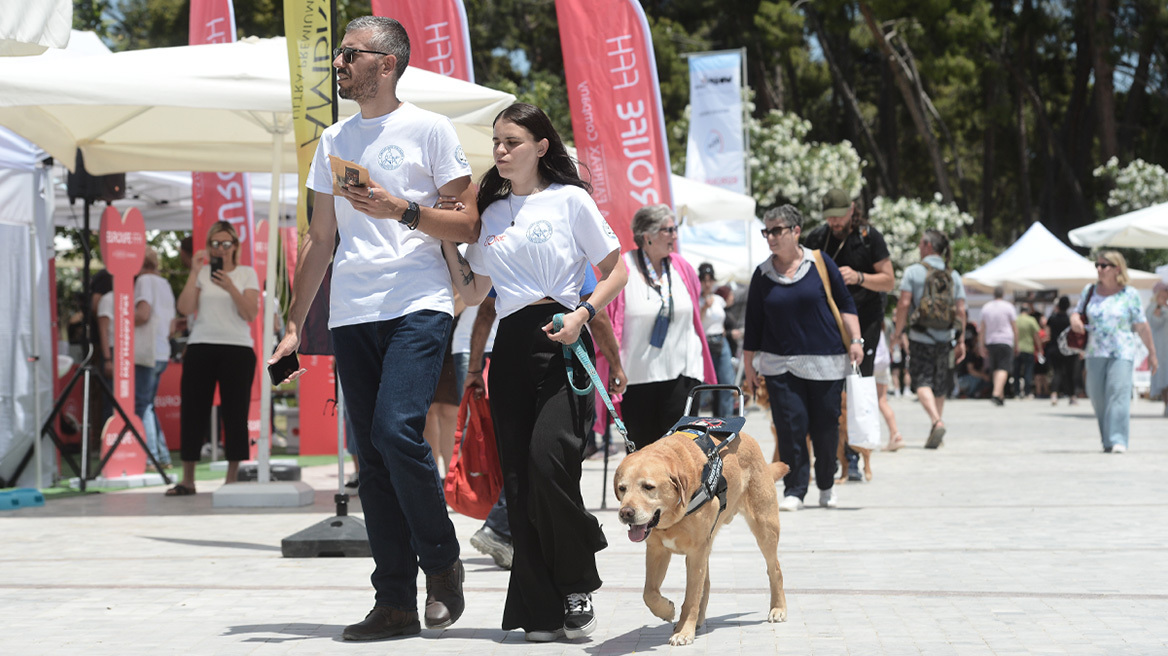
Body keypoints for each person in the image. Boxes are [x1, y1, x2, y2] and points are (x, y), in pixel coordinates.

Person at [268, 16, 478, 640]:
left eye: (349, 54)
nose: (337, 64)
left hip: (419, 299)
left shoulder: (430, 129)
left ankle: (441, 563)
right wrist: (293, 326)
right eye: (337, 55)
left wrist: (401, 208)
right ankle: (394, 602)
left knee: (394, 431)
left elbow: (467, 223)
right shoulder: (334, 137)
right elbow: (320, 238)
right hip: (352, 309)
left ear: (386, 63)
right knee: (372, 456)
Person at [443, 102, 627, 642]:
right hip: (511, 348)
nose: (500, 151)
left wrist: (584, 315)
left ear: (541, 146)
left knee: (551, 468)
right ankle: (541, 609)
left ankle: (577, 579)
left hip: (564, 336)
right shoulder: (491, 211)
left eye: (512, 141)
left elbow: (618, 270)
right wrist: (445, 239)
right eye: (496, 142)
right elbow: (475, 291)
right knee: (521, 484)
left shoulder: (571, 200)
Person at [464, 268, 626, 573]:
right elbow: (599, 317)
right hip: (523, 358)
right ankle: (508, 533)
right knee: (535, 465)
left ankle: (507, 531)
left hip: (543, 357)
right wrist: (615, 364)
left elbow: (486, 312)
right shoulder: (523, 243)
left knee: (545, 458)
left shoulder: (555, 245)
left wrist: (474, 369)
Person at [743, 205, 864, 512]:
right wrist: (748, 369)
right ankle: (794, 489)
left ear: (796, 231)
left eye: (777, 230)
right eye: (766, 231)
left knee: (826, 427)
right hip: (778, 364)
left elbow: (846, 303)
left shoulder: (820, 263)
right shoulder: (762, 274)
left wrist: (857, 340)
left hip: (826, 363)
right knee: (790, 427)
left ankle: (825, 484)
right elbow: (753, 325)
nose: (770, 237)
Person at [803, 189, 895, 481]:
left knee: (857, 390)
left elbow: (889, 280)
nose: (834, 222)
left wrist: (859, 277)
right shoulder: (818, 238)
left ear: (852, 209)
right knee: (827, 390)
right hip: (828, 323)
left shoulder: (869, 237)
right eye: (829, 216)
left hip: (865, 322)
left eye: (839, 215)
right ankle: (829, 456)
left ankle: (854, 458)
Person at [609, 205, 716, 447]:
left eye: (675, 229)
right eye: (669, 230)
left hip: (683, 373)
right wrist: (612, 365)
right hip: (636, 378)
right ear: (647, 236)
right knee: (644, 455)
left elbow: (693, 314)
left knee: (681, 452)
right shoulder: (624, 268)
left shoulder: (682, 267)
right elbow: (610, 319)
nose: (675, 236)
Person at [167, 221, 258, 495]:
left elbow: (250, 314)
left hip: (237, 349)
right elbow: (184, 308)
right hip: (201, 346)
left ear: (235, 246)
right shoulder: (202, 273)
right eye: (215, 244)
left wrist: (231, 287)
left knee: (235, 412)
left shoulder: (246, 273)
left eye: (225, 244)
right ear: (209, 247)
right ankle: (188, 479)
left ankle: (231, 478)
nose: (220, 249)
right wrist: (194, 273)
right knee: (193, 411)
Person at [1070, 251, 1159, 452]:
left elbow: (1142, 326)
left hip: (1122, 351)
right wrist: (1074, 319)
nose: (1099, 269)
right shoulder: (1090, 290)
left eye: (1104, 266)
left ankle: (1118, 439)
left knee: (1118, 393)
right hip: (1094, 351)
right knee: (1097, 396)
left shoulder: (1130, 294)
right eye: (1097, 266)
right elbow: (1078, 312)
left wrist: (1152, 354)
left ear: (1117, 268)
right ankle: (1107, 439)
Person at [891, 230, 967, 448]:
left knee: (921, 382)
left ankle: (936, 421)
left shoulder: (913, 272)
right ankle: (936, 427)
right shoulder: (953, 275)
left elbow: (904, 304)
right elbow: (961, 311)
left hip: (919, 336)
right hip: (945, 338)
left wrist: (898, 334)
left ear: (927, 245)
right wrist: (960, 340)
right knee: (940, 384)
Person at [135, 247, 176, 468]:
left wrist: (122, 318)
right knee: (148, 405)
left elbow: (142, 313)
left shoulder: (144, 282)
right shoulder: (165, 284)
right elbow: (171, 324)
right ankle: (162, 456)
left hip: (146, 350)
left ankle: (152, 456)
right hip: (162, 350)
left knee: (142, 405)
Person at [698, 262, 737, 417]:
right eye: (704, 280)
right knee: (704, 388)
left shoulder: (718, 299)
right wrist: (704, 308)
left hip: (721, 342)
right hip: (705, 344)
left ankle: (726, 423)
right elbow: (696, 323)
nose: (707, 284)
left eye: (710, 280)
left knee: (726, 384)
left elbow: (723, 318)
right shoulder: (697, 300)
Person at [978, 286, 1016, 406]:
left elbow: (982, 329)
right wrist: (1017, 343)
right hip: (1005, 340)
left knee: (996, 369)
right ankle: (996, 393)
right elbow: (1014, 327)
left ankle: (1000, 395)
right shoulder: (1008, 307)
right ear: (1003, 294)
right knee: (1003, 368)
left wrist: (980, 345)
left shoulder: (986, 307)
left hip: (991, 341)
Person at [873, 330, 905, 451]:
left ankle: (867, 440)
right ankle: (895, 434)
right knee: (882, 401)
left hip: (868, 361)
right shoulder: (880, 321)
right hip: (883, 361)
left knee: (864, 401)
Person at [1046, 296, 1078, 405]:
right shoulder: (1069, 319)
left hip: (1055, 348)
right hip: (1069, 349)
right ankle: (1072, 397)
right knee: (1070, 373)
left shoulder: (1052, 318)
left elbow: (1047, 335)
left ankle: (1054, 395)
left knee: (1057, 372)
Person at [1148, 282, 1168, 416]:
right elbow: (1155, 322)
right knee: (1163, 379)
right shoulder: (1152, 307)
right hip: (1161, 349)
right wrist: (1160, 306)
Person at [1014, 304, 1042, 398]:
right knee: (1028, 372)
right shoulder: (1031, 320)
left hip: (1016, 349)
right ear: (1028, 311)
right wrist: (1040, 349)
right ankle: (1027, 392)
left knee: (1016, 373)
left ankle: (1016, 393)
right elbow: (1036, 336)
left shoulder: (1016, 320)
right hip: (1029, 349)